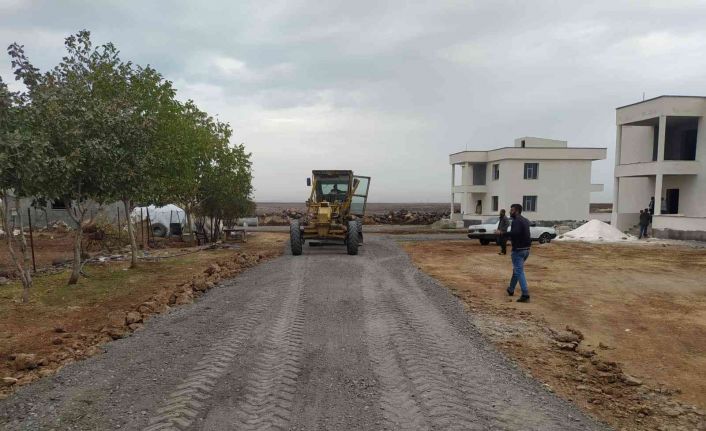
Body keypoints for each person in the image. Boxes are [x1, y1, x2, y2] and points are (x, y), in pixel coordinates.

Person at [505, 203, 531, 303]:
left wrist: (503, 233)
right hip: (526, 250)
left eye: (511, 210)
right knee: (517, 270)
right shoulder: (525, 220)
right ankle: (511, 289)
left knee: (519, 271)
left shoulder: (516, 221)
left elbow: (515, 233)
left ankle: (525, 294)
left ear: (516, 211)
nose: (510, 212)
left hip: (519, 250)